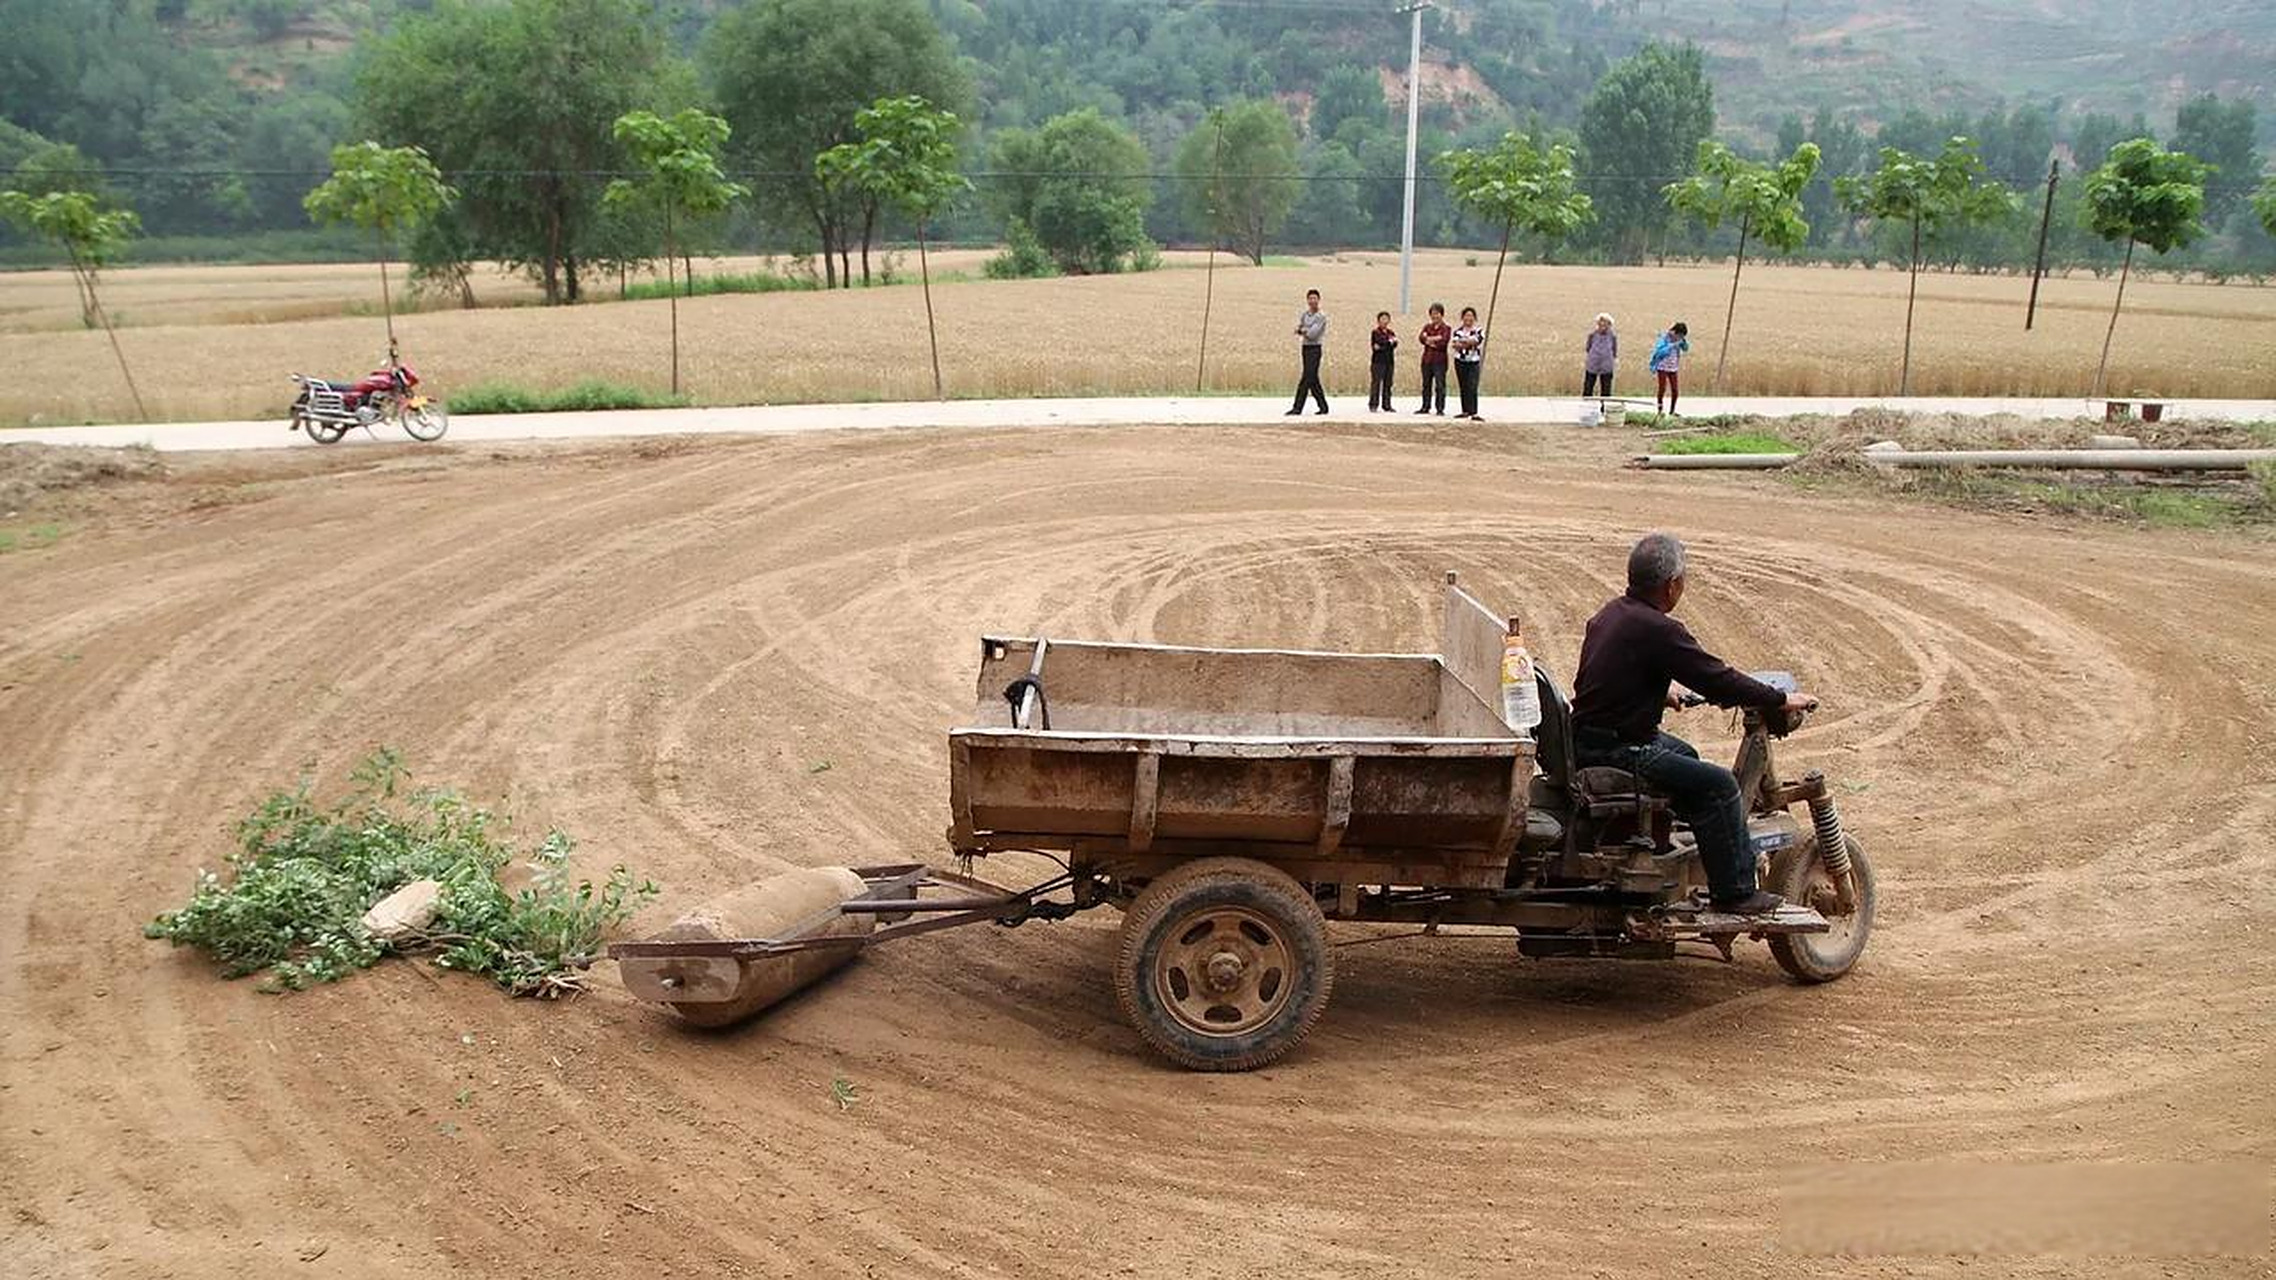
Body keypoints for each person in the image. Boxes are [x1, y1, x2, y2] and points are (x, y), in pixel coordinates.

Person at [1568, 531, 1816, 917]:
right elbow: (1716, 678)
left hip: (1589, 738)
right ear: (1672, 585)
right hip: (1621, 751)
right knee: (1719, 786)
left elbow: (1596, 678)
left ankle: (1665, 840)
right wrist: (1781, 698)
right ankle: (1734, 892)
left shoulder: (1610, 614)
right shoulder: (1660, 630)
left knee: (1686, 754)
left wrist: (1658, 693)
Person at [1288, 288, 1329, 415]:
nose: (1312, 301)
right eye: (1310, 298)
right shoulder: (1305, 315)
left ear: (1319, 300)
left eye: (1314, 298)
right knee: (1312, 378)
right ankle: (1323, 407)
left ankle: (1297, 407)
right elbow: (1299, 328)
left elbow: (1313, 334)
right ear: (1307, 300)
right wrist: (1303, 330)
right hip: (1305, 348)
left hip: (1315, 348)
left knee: (1306, 378)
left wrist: (1303, 331)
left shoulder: (1321, 316)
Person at [1450, 306, 1485, 420]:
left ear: (1474, 318)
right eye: (1466, 316)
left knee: (1472, 386)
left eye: (1471, 316)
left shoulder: (1478, 330)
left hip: (1473, 361)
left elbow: (1477, 340)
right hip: (1460, 361)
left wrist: (1465, 342)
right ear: (1462, 317)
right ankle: (1465, 410)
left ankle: (1474, 411)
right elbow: (1455, 345)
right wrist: (1469, 343)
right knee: (1463, 385)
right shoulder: (1458, 331)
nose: (1468, 318)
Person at [1414, 303, 1450, 415]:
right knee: (1426, 385)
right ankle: (1425, 406)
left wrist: (1429, 340)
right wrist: (1434, 339)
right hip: (1427, 360)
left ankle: (1440, 408)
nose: (1435, 316)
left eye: (1437, 313)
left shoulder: (1446, 328)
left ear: (1442, 314)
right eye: (1433, 313)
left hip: (1440, 361)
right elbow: (1421, 338)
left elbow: (1443, 342)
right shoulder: (1427, 327)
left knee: (1440, 385)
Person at [1649, 321, 1689, 416]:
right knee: (1662, 389)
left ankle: (1672, 411)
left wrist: (1684, 343)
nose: (1680, 338)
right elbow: (1659, 352)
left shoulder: (1680, 339)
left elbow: (1686, 349)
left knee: (1675, 390)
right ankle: (1660, 410)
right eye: (1679, 335)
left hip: (1673, 368)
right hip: (1662, 367)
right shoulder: (1664, 338)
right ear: (1675, 332)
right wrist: (1672, 345)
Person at [1367, 311, 1398, 412]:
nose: (1384, 321)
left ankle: (1387, 405)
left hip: (1389, 361)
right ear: (1378, 321)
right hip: (1378, 362)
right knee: (1376, 383)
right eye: (1382, 319)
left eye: (1386, 319)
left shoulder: (1391, 332)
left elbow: (1394, 345)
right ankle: (1373, 404)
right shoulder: (1375, 332)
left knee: (1388, 384)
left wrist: (1385, 344)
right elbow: (1377, 345)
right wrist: (1388, 342)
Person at [1583, 313, 1618, 399]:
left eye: (1605, 324)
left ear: (1609, 325)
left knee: (1606, 389)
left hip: (1606, 366)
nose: (1602, 326)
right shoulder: (1592, 335)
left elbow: (1614, 350)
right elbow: (1588, 348)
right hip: (1592, 364)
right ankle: (1586, 407)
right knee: (1588, 387)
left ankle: (1604, 407)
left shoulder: (1612, 336)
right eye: (1600, 324)